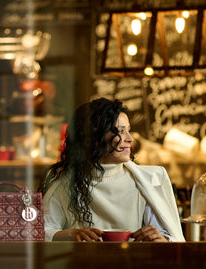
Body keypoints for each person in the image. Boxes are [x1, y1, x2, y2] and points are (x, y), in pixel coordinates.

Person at [38, 97, 185, 242]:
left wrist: (161, 240)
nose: (130, 139)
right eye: (120, 131)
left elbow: (170, 241)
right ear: (94, 137)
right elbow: (39, 233)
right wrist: (71, 235)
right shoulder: (65, 183)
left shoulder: (150, 180)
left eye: (129, 130)